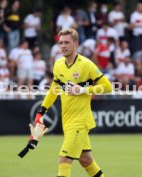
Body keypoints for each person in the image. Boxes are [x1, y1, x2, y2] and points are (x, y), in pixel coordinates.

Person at [28, 28, 111, 177]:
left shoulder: (86, 64)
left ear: (76, 43)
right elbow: (54, 89)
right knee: (86, 160)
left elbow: (107, 87)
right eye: (60, 43)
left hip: (80, 121)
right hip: (68, 121)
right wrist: (41, 111)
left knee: (64, 159)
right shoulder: (58, 64)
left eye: (67, 42)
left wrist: (83, 90)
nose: (63, 46)